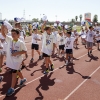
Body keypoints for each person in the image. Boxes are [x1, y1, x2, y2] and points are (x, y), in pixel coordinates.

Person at [1, 25, 27, 96]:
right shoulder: (9, 39)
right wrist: (2, 27)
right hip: (12, 60)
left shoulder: (21, 42)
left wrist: (17, 53)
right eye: (12, 34)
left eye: (14, 34)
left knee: (14, 73)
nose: (13, 35)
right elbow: (3, 34)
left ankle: (12, 88)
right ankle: (23, 79)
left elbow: (25, 51)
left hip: (18, 60)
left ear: (18, 35)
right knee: (17, 70)